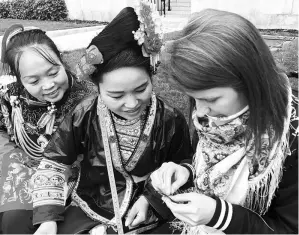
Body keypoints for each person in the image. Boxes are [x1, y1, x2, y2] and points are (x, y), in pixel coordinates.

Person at [31, 5, 193, 235]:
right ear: (97, 88)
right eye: (116, 95)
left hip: (150, 213)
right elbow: (55, 162)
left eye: (141, 89)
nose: (131, 103)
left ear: (152, 75)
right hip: (92, 205)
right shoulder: (84, 112)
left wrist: (152, 199)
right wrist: (47, 219)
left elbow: (185, 165)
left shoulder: (170, 119)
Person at [150, 9, 298, 234]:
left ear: (250, 82)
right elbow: (211, 165)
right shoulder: (215, 113)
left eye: (210, 99)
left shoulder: (291, 136)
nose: (200, 111)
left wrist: (220, 216)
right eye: (194, 98)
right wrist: (186, 171)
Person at [0, 24, 97, 234]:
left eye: (53, 72)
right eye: (33, 81)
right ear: (18, 78)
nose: (48, 85)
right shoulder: (11, 97)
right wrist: (13, 161)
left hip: (75, 182)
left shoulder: (89, 100)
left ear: (61, 61)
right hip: (23, 173)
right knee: (13, 222)